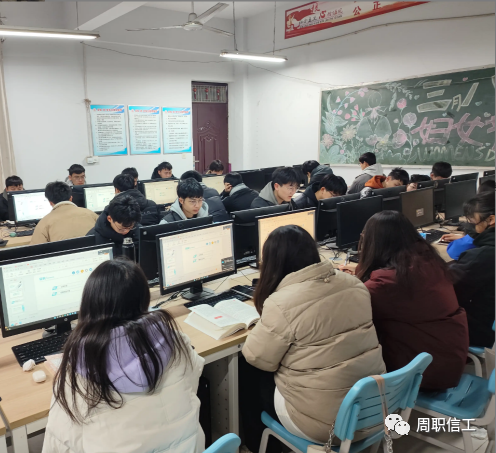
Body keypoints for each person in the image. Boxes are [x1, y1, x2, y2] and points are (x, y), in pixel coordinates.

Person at [241, 226, 385, 447]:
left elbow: (257, 358)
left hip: (326, 425)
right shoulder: (355, 284)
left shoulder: (283, 303)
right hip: (372, 408)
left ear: (272, 262)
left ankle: (257, 445)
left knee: (247, 371)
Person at [43, 259, 205, 453]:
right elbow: (192, 385)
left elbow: (58, 443)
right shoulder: (176, 342)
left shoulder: (77, 371)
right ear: (144, 300)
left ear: (89, 305)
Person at [348, 211, 468, 391]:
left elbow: (354, 305)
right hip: (449, 356)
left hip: (426, 370)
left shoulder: (387, 283)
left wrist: (349, 280)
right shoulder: (428, 261)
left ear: (374, 244)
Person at [448, 191, 495, 347]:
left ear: (491, 220)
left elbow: (449, 290)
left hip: (481, 329)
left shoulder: (481, 256)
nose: (470, 225)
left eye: (473, 221)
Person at [30, 182, 98, 245]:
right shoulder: (91, 214)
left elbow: (35, 249)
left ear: (50, 203)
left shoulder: (44, 223)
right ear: (71, 198)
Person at [441, 180, 495, 258]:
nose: (470, 222)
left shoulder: (484, 252)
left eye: (472, 219)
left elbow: (454, 252)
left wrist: (470, 238)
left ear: (491, 220)